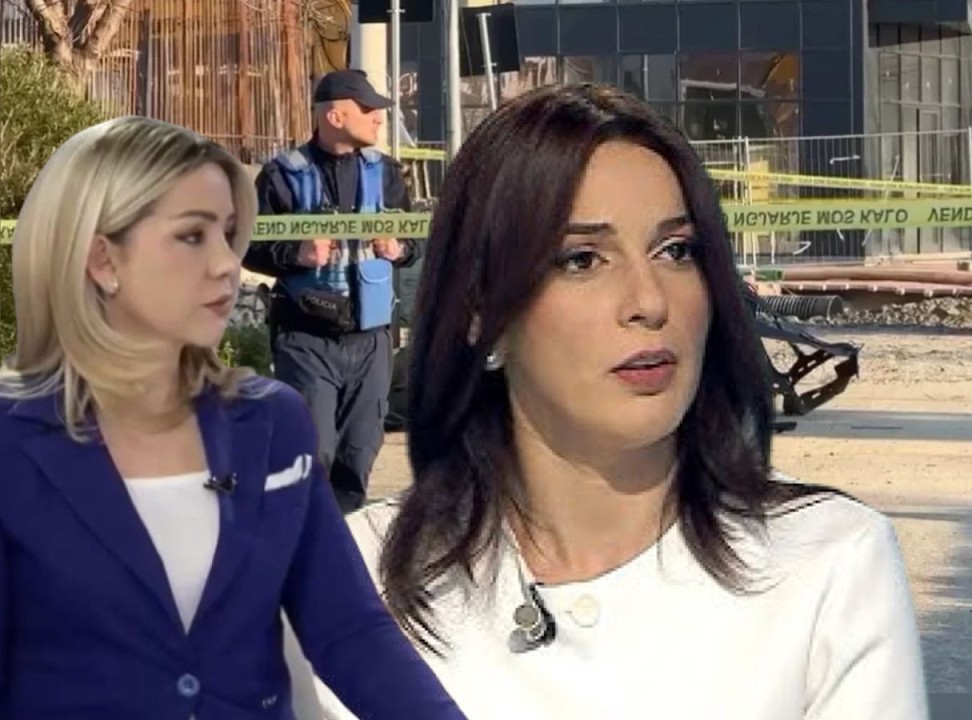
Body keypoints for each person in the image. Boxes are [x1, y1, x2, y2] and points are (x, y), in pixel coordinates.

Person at [305, 84, 928, 719]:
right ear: (480, 311)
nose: (650, 302)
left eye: (676, 251)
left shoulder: (830, 563)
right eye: (583, 260)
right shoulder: (356, 579)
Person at [0, 116, 466, 719]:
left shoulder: (273, 423)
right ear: (102, 259)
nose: (227, 263)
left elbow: (350, 630)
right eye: (193, 236)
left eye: (227, 234)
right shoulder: (13, 441)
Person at [243, 69, 420, 513]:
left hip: (371, 338)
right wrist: (296, 253)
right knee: (312, 451)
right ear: (335, 116)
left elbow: (414, 242)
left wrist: (398, 248)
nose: (379, 117)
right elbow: (248, 246)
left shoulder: (387, 174)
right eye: (368, 109)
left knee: (358, 454)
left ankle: (342, 536)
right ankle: (305, 538)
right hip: (306, 338)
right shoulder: (282, 175)